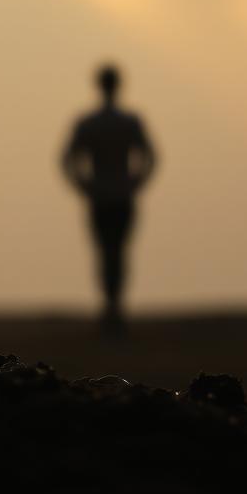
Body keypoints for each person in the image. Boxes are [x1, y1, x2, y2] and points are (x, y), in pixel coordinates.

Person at [61, 64, 156, 330]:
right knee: (117, 250)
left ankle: (111, 306)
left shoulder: (90, 123)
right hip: (120, 195)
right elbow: (150, 157)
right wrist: (136, 181)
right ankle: (113, 306)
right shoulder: (128, 122)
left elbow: (68, 159)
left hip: (101, 195)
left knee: (106, 250)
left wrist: (83, 185)